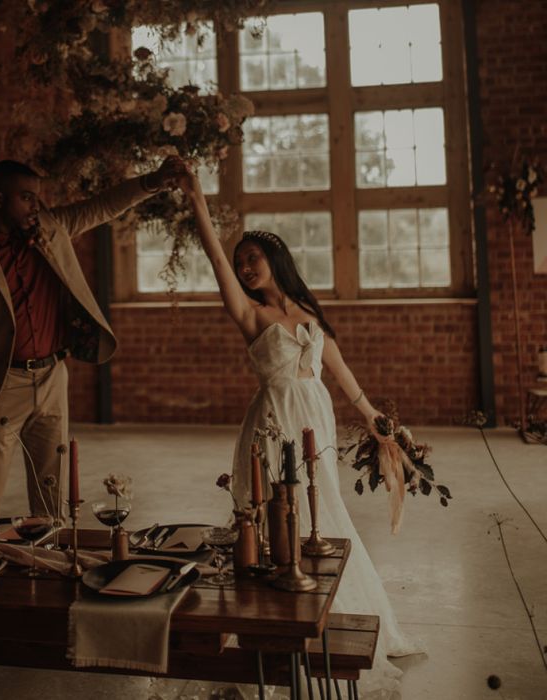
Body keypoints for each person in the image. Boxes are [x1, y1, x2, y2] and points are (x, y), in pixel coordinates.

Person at [176, 164, 422, 697]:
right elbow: (216, 257)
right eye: (240, 262)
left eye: (252, 258)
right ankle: (273, 632)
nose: (243, 267)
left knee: (323, 512)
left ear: (274, 260)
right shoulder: (249, 314)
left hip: (316, 418)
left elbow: (339, 370)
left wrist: (375, 419)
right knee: (276, 519)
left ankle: (334, 618)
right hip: (274, 423)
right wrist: (196, 197)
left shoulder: (306, 308)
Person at [0, 157, 183, 526]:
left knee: (52, 498)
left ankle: (49, 563)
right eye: (26, 197)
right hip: (3, 385)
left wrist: (153, 181)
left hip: (54, 377)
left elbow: (102, 206)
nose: (36, 205)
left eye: (38, 197)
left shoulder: (51, 229)